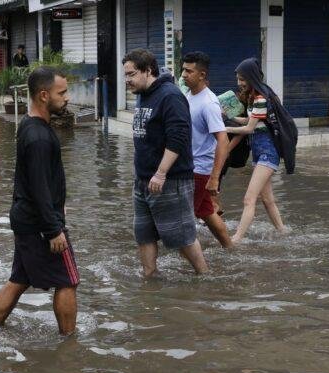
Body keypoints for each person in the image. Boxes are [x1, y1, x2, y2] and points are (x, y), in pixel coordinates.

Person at [0, 66, 79, 335]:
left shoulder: (29, 125)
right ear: (43, 95)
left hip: (26, 218)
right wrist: (53, 229)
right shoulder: (38, 137)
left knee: (19, 278)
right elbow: (39, 188)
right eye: (62, 93)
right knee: (68, 280)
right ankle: (69, 342)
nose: (67, 98)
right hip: (40, 224)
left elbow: (37, 181)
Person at [123, 48, 208, 277]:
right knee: (144, 234)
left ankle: (205, 277)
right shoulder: (142, 93)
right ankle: (149, 278)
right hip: (143, 180)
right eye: (125, 75)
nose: (127, 80)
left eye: (131, 74)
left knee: (181, 237)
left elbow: (178, 138)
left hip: (170, 180)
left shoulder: (170, 96)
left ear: (148, 70)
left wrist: (160, 173)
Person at [225, 58, 288, 241]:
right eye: (238, 79)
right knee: (267, 199)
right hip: (260, 153)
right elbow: (249, 120)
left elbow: (249, 129)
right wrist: (228, 116)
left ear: (252, 77)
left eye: (242, 79)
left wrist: (224, 128)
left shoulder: (260, 98)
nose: (239, 83)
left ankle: (236, 239)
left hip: (267, 153)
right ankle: (284, 232)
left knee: (249, 199)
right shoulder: (255, 97)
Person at [180, 51, 232, 248]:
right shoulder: (188, 95)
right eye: (183, 70)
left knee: (182, 219)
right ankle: (230, 248)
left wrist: (214, 178)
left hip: (199, 169)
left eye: (189, 71)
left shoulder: (208, 103)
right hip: (189, 166)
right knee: (207, 212)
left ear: (202, 75)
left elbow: (223, 140)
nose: (184, 75)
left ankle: (191, 260)